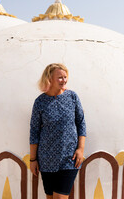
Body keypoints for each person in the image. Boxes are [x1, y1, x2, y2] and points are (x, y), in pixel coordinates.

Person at [30, 63, 86, 199]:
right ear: (49, 78)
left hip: (69, 158)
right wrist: (33, 159)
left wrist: (81, 149)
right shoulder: (40, 102)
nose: (64, 80)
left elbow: (81, 123)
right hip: (47, 159)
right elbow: (34, 132)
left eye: (65, 77)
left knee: (60, 197)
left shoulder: (72, 97)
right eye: (60, 77)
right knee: (50, 197)